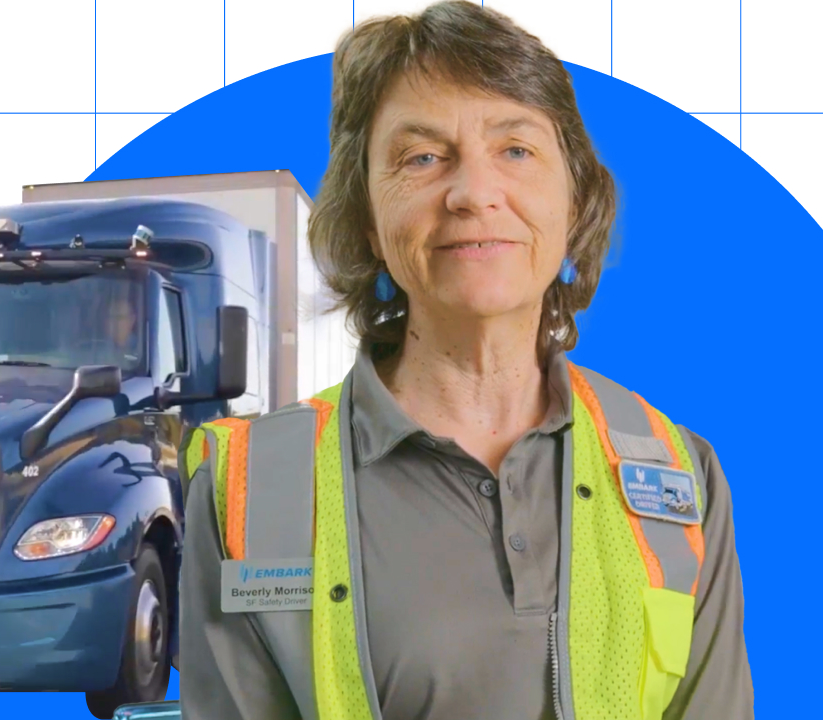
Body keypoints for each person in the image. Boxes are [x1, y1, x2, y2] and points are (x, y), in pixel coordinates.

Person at [176, 3, 753, 720]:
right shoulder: (245, 490)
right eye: (422, 156)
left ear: (574, 202)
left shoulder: (679, 473)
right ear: (367, 217)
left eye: (516, 150)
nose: (473, 193)